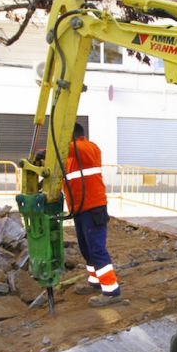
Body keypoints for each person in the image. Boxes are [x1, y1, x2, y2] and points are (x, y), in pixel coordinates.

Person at [64, 123, 121, 307]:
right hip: (79, 210)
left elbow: (65, 148)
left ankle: (111, 291)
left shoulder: (88, 148)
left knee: (97, 249)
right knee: (86, 249)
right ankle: (95, 282)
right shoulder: (71, 158)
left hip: (93, 208)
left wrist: (48, 149)